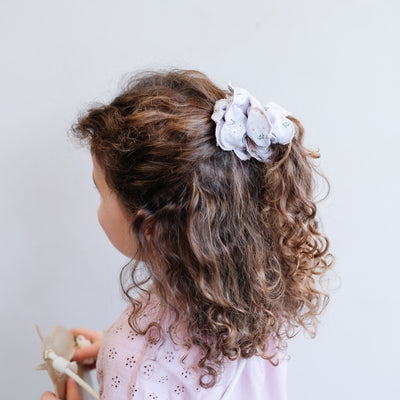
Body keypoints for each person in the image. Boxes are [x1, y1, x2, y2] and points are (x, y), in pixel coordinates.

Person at [40, 68, 334, 400]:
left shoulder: (136, 360)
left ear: (148, 224)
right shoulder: (258, 295)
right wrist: (118, 351)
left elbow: (155, 371)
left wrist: (127, 361)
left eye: (100, 189)